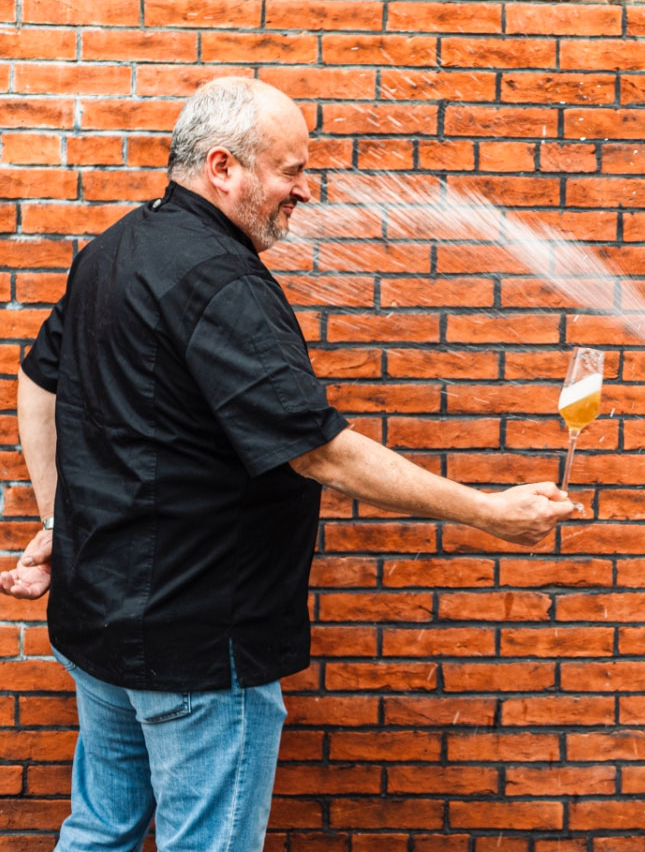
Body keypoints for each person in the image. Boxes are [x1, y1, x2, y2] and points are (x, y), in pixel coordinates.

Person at [0, 76, 576, 852]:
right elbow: (322, 452)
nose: (305, 190)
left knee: (98, 832)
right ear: (223, 167)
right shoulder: (222, 283)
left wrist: (55, 519)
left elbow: (37, 379)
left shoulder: (113, 250)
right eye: (290, 169)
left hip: (97, 624)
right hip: (198, 649)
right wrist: (488, 512)